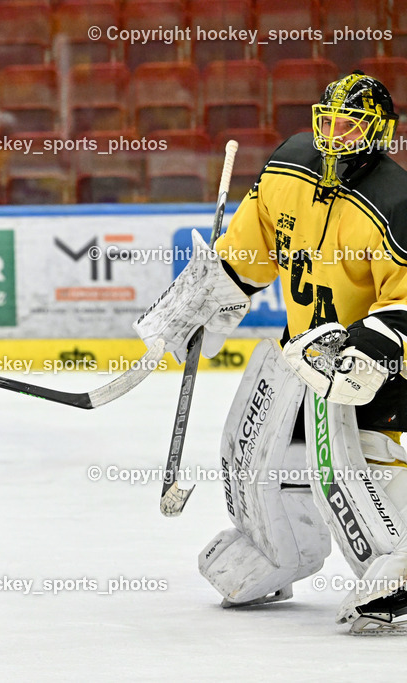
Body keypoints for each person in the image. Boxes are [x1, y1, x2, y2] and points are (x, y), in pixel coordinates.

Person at [135, 71, 407, 634]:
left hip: (377, 369)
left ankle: (398, 570)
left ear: (378, 133)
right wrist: (197, 300)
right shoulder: (289, 168)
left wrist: (371, 349)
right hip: (301, 354)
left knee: (360, 467)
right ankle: (278, 552)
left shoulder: (396, 201)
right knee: (255, 453)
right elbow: (246, 254)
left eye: (350, 127)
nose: (334, 136)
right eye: (327, 122)